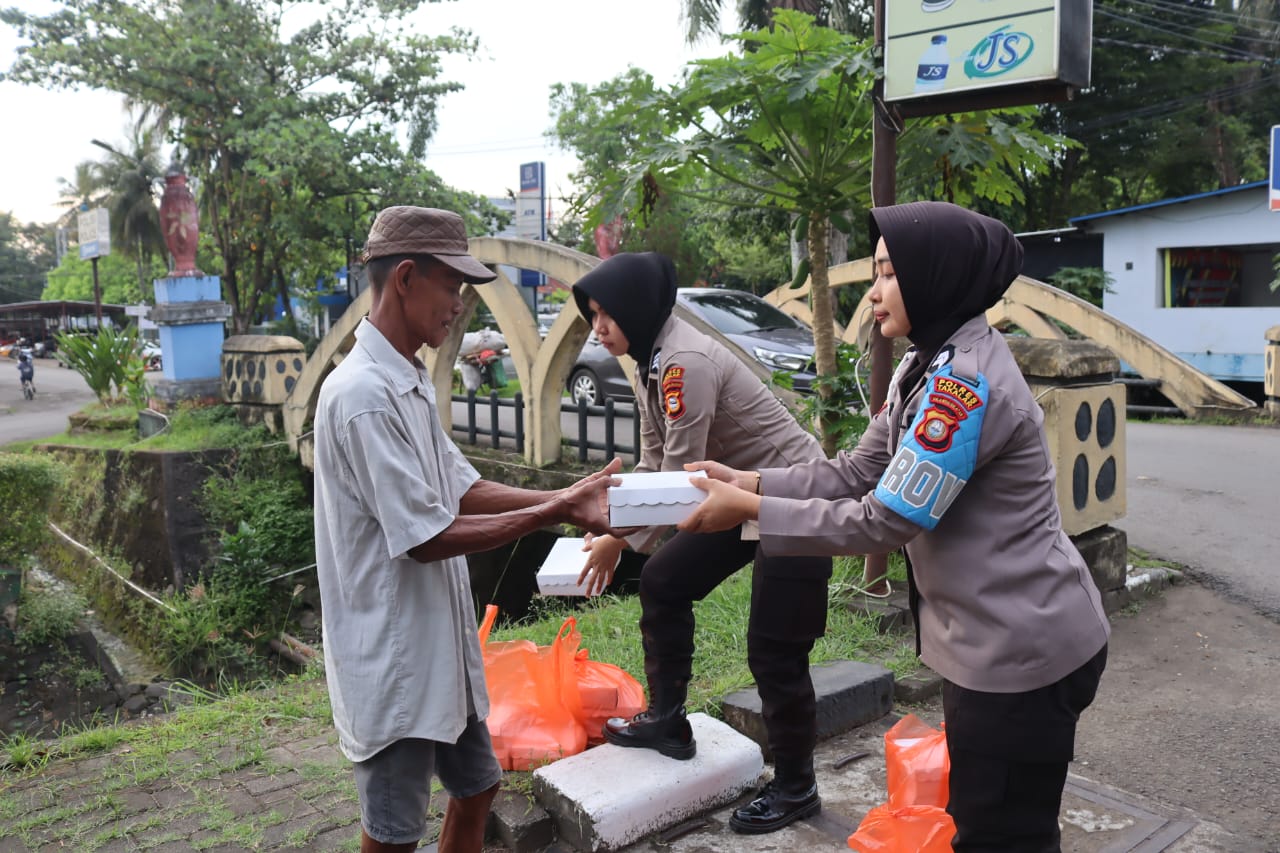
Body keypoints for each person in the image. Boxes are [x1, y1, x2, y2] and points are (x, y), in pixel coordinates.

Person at [677, 202, 1111, 851]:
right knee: (982, 819)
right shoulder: (923, 364)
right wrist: (753, 483)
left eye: (887, 273)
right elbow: (857, 470)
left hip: (1023, 654)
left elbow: (884, 519)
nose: (873, 292)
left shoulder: (963, 387)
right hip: (988, 646)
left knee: (1003, 834)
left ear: (935, 276)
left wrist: (752, 514)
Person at [312, 205, 622, 853]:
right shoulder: (361, 395)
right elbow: (425, 535)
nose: (459, 306)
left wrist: (564, 497)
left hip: (438, 650)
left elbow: (461, 486)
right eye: (451, 287)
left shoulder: (406, 379)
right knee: (394, 833)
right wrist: (550, 511)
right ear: (404, 278)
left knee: (478, 785)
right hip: (393, 658)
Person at [570, 252, 833, 835]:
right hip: (735, 497)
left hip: (794, 501)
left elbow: (678, 484)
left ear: (636, 309)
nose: (598, 328)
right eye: (591, 316)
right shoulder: (650, 359)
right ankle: (667, 719)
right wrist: (618, 528)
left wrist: (617, 537)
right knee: (664, 580)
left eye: (606, 314)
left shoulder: (682, 362)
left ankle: (796, 786)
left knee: (774, 648)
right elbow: (651, 461)